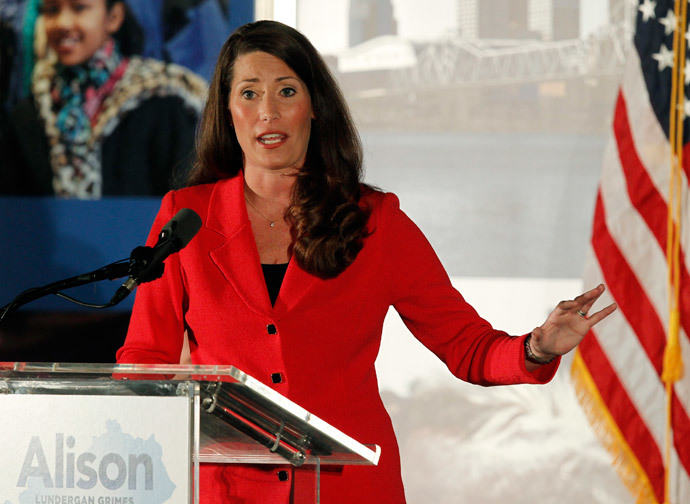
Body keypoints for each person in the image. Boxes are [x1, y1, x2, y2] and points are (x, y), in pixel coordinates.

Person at [116, 20, 617, 504]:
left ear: (314, 108)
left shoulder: (375, 221)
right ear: (227, 111)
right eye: (249, 93)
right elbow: (145, 359)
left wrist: (536, 348)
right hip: (226, 491)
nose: (267, 110)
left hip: (347, 488)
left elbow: (466, 346)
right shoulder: (187, 218)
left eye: (286, 91)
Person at [0, 0, 207, 198]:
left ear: (114, 17)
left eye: (79, 7)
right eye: (51, 10)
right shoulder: (30, 115)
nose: (63, 23)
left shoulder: (162, 102)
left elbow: (189, 207)